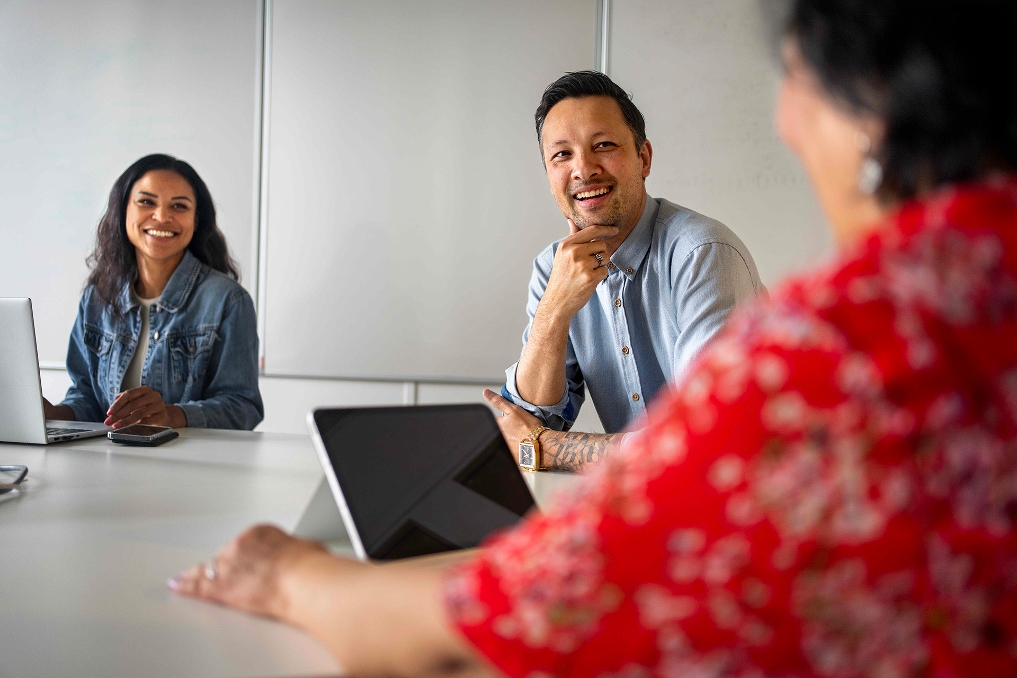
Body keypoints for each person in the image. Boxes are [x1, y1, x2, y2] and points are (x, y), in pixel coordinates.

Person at [172, 0, 1017, 675]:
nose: (785, 118)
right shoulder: (557, 264)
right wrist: (549, 327)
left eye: (793, 75)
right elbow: (521, 420)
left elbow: (484, 633)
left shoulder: (831, 337)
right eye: (561, 154)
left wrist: (293, 575)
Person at [483, 71, 766, 472]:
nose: (583, 169)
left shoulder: (702, 254)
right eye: (561, 155)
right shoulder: (553, 269)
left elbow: (705, 442)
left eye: (603, 146)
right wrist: (555, 308)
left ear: (644, 158)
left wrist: (547, 449)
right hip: (643, 506)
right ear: (549, 176)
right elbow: (525, 427)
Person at [44, 154, 263, 431]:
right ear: (123, 210)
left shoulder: (227, 300)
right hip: (107, 466)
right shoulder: (97, 298)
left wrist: (172, 415)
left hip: (187, 468)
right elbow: (88, 400)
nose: (161, 216)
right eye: (146, 202)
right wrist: (53, 413)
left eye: (179, 206)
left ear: (196, 221)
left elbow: (242, 407)